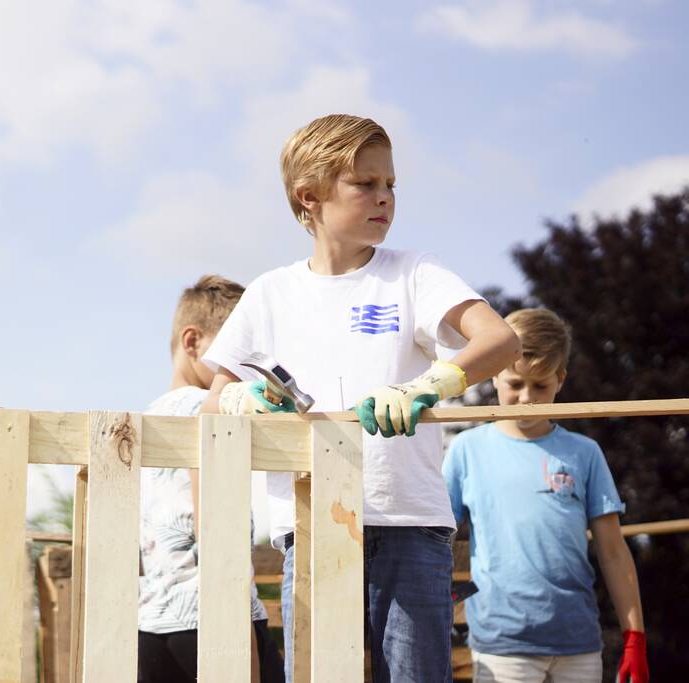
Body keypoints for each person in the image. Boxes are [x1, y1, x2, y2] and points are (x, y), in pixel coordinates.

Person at [200, 114, 521, 683]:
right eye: (365, 184)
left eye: (391, 184)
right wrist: (238, 402)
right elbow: (215, 399)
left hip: (409, 520)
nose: (385, 198)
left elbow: (500, 339)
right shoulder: (271, 294)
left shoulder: (414, 273)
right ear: (310, 197)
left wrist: (428, 385)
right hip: (311, 523)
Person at [442, 308, 649, 683]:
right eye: (516, 384)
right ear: (495, 375)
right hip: (501, 646)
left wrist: (634, 634)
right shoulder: (466, 451)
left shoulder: (584, 453)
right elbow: (436, 540)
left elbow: (613, 551)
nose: (526, 399)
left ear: (561, 380)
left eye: (540, 386)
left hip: (578, 643)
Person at [139, 275, 284, 683]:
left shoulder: (143, 419)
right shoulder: (212, 411)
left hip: (153, 621)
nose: (243, 369)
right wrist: (239, 633)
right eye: (234, 352)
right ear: (192, 342)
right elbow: (216, 525)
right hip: (214, 618)